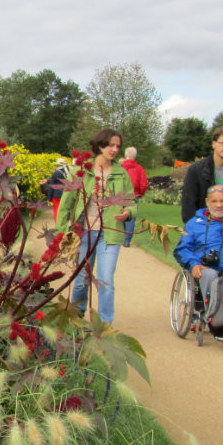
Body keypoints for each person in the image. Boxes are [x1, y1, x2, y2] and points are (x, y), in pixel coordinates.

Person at [55, 129, 136, 324]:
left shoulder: (121, 173)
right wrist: (60, 233)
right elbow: (66, 202)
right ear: (100, 145)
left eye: (118, 146)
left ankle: (104, 324)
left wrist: (127, 214)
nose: (115, 149)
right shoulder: (82, 171)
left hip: (110, 234)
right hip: (84, 233)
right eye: (111, 145)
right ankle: (76, 316)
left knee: (106, 280)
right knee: (81, 278)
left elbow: (132, 203)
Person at [180, 125, 223, 223]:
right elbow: (189, 203)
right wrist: (194, 227)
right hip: (200, 225)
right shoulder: (196, 169)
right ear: (214, 144)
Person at [119, 147, 148, 246]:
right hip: (134, 194)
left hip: (121, 194)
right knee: (131, 217)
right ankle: (127, 240)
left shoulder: (121, 168)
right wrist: (140, 193)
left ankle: (122, 237)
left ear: (126, 155)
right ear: (134, 156)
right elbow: (143, 183)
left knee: (121, 213)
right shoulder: (139, 168)